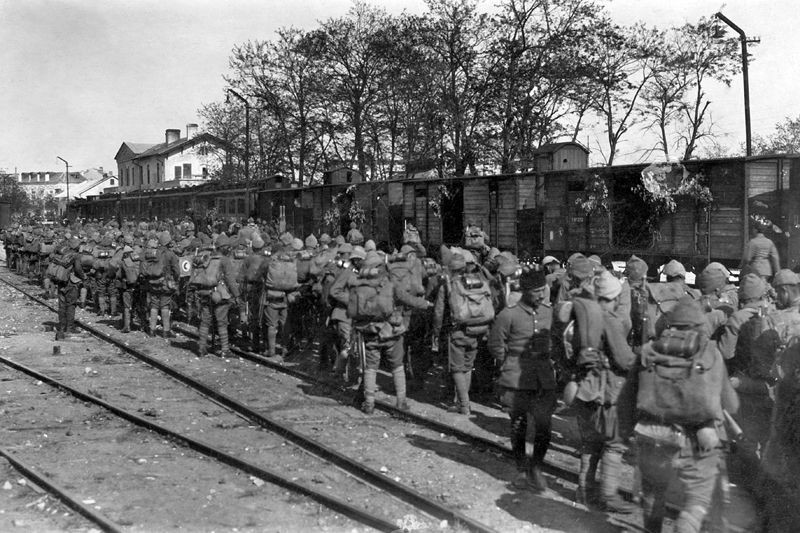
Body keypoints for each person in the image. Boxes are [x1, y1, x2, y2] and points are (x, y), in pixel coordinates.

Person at [635, 298, 739, 533]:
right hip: (695, 439)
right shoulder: (711, 353)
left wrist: (624, 434)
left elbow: (628, 399)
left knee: (653, 493)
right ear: (699, 325)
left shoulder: (648, 351)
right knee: (696, 502)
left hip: (652, 435)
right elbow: (731, 405)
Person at [567, 270, 637, 513]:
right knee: (614, 443)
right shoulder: (608, 320)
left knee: (590, 444)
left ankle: (584, 492)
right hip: (607, 392)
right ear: (614, 297)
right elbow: (624, 359)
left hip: (584, 388)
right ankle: (609, 495)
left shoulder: (583, 316)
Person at [488, 269, 556, 491]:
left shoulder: (549, 312)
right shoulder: (508, 315)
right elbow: (496, 344)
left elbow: (555, 339)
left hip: (543, 378)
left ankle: (536, 467)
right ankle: (521, 468)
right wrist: (507, 363)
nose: (541, 296)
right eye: (536, 292)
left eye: (542, 290)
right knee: (519, 425)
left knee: (544, 427)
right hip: (516, 378)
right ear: (525, 291)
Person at [54, 237, 84, 340]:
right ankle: (69, 327)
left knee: (61, 305)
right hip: (71, 282)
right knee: (71, 304)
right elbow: (78, 269)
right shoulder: (75, 256)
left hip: (60, 281)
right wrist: (83, 277)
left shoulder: (61, 254)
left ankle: (61, 327)